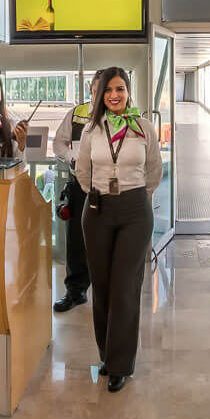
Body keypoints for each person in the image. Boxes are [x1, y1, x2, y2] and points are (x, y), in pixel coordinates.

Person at [75, 66, 161, 394]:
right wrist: (100, 192)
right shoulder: (91, 130)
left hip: (135, 212)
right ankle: (106, 355)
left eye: (120, 89)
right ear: (99, 95)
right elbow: (83, 172)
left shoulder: (144, 128)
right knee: (104, 286)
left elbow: (154, 171)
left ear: (128, 92)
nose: (114, 95)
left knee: (125, 287)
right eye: (108, 89)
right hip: (97, 210)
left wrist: (134, 194)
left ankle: (121, 365)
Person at [51, 72, 103, 314]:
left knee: (109, 242)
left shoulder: (122, 116)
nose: (101, 94)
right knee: (76, 241)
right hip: (80, 186)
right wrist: (73, 158)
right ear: (90, 89)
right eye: (96, 89)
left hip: (111, 189)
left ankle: (108, 293)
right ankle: (75, 292)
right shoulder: (76, 114)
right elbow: (58, 144)